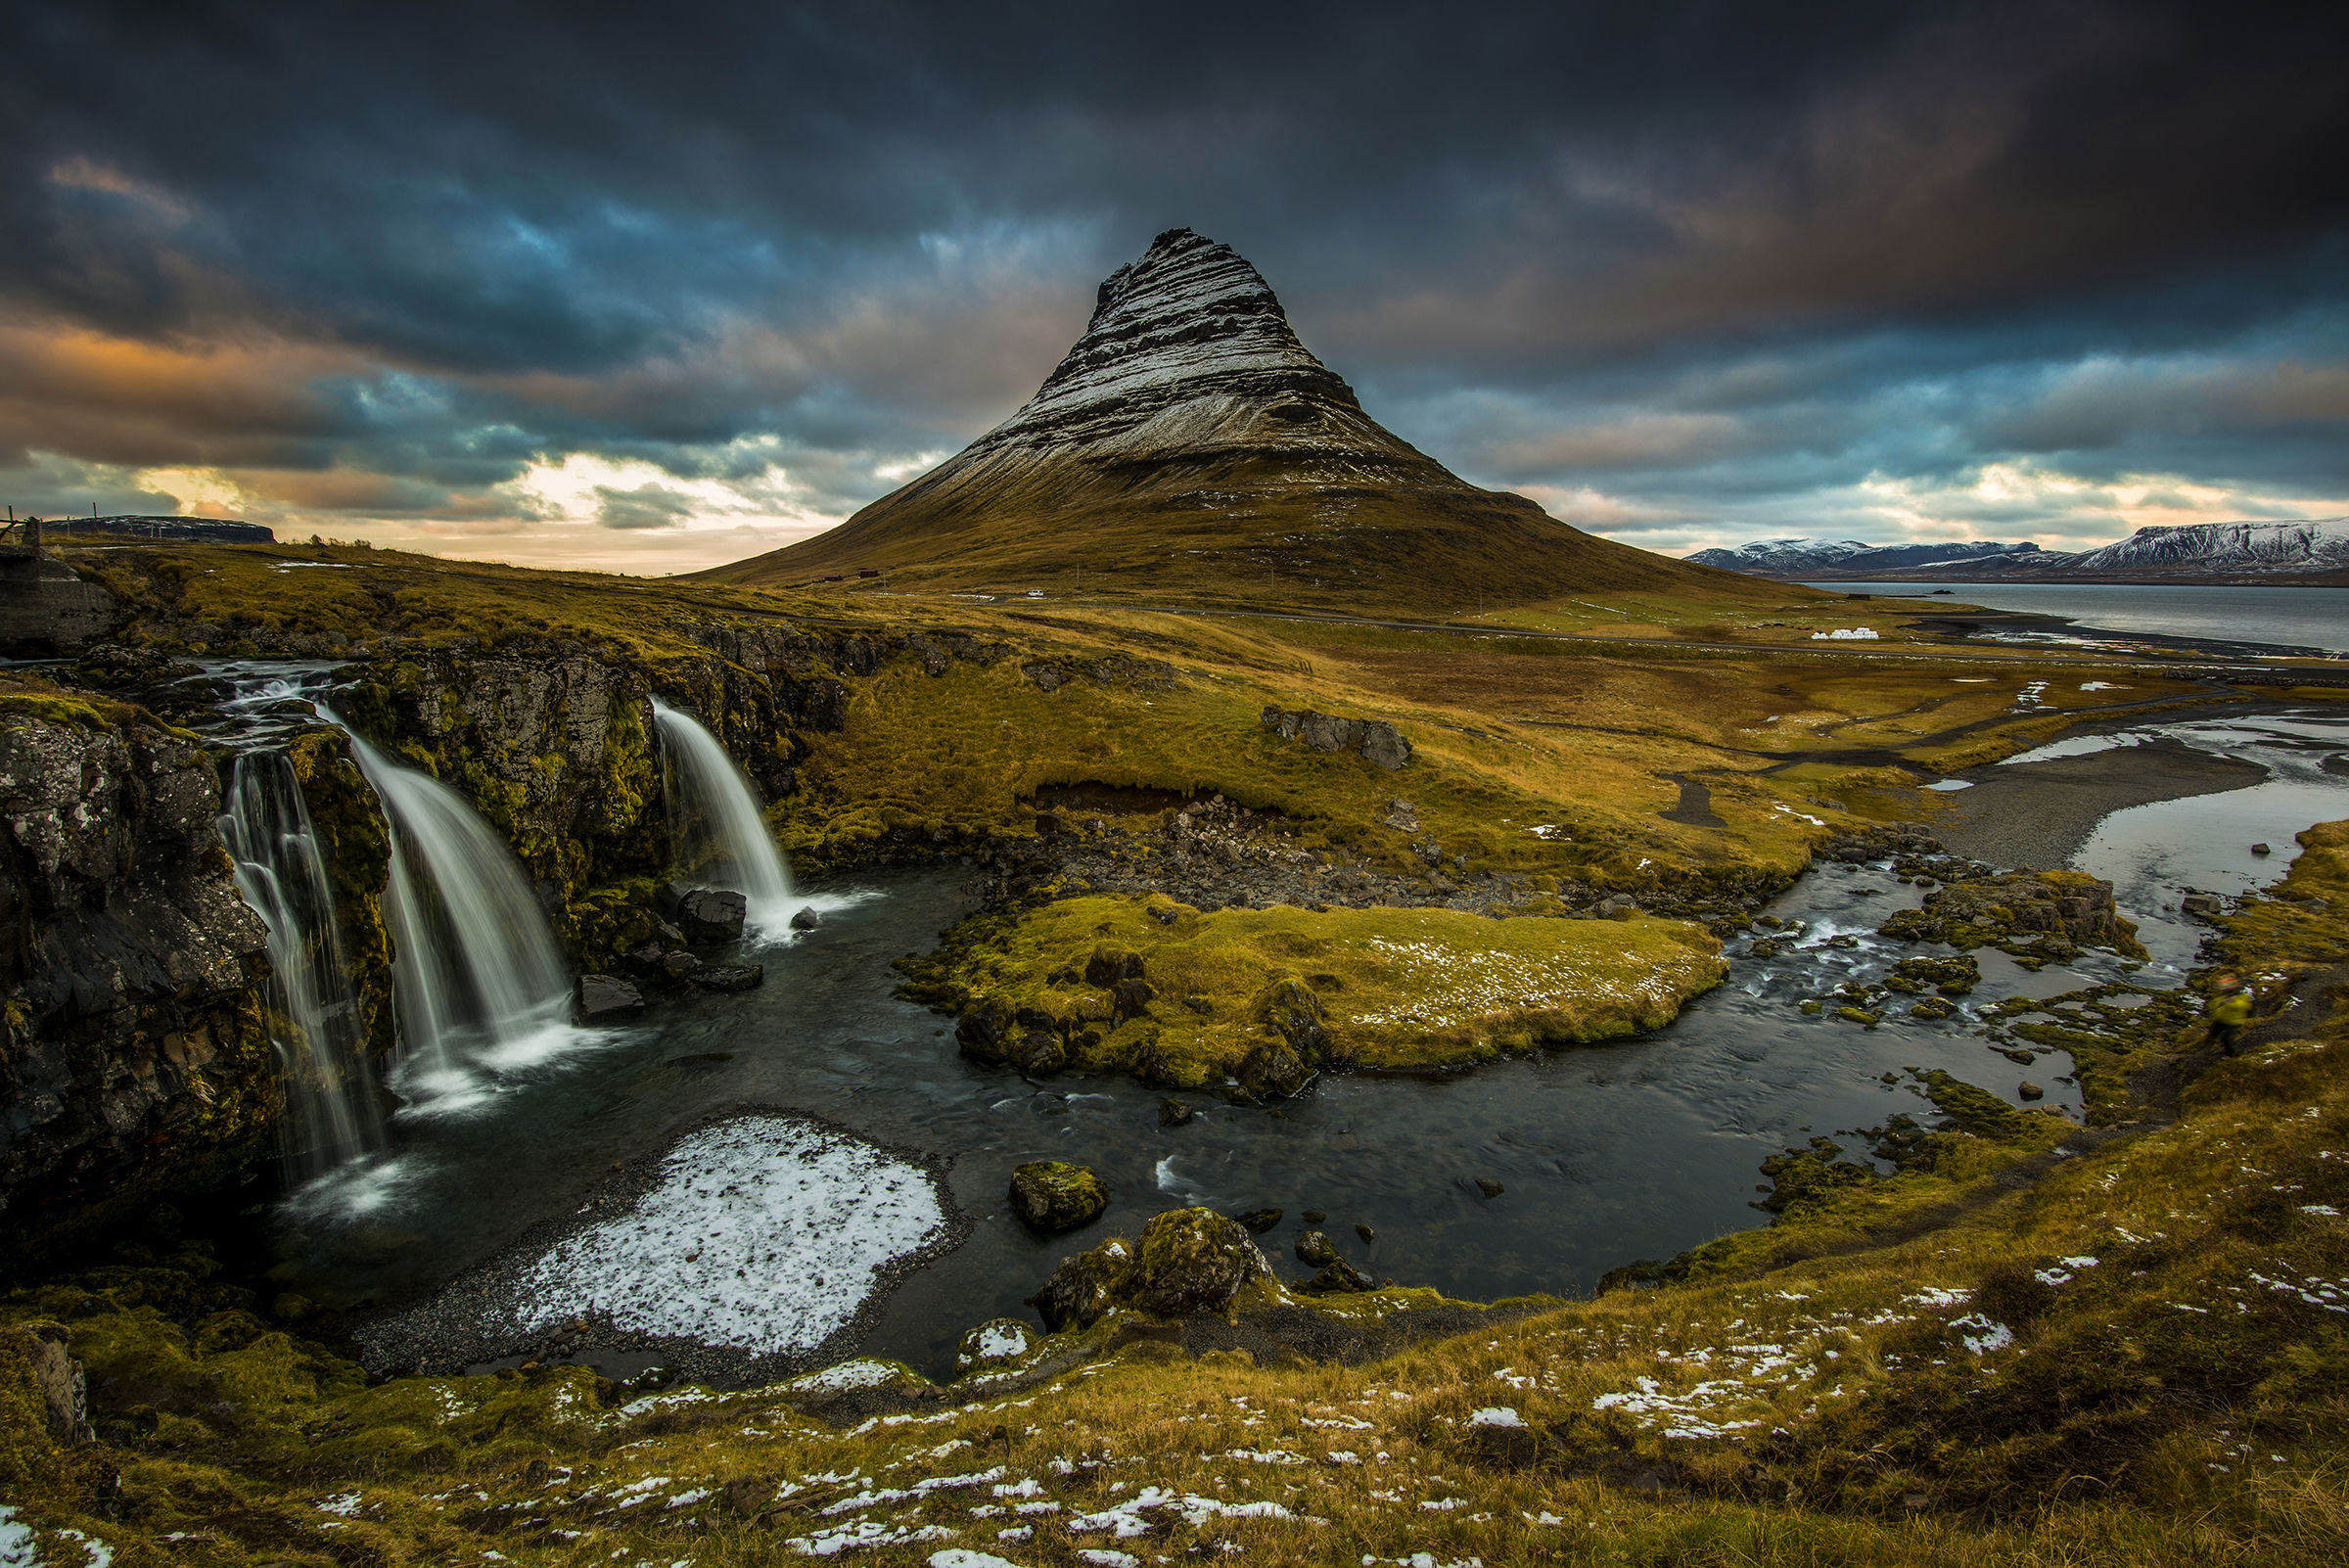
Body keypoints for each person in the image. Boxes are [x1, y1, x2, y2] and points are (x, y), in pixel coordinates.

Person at [2206, 976, 2253, 1056]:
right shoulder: (2224, 995)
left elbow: (2245, 1006)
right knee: (2213, 1033)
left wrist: (2231, 1001)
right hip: (2221, 1019)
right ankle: (2208, 1050)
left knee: (2226, 1038)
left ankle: (2231, 1055)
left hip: (2234, 1022)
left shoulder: (2242, 995)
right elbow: (2215, 1004)